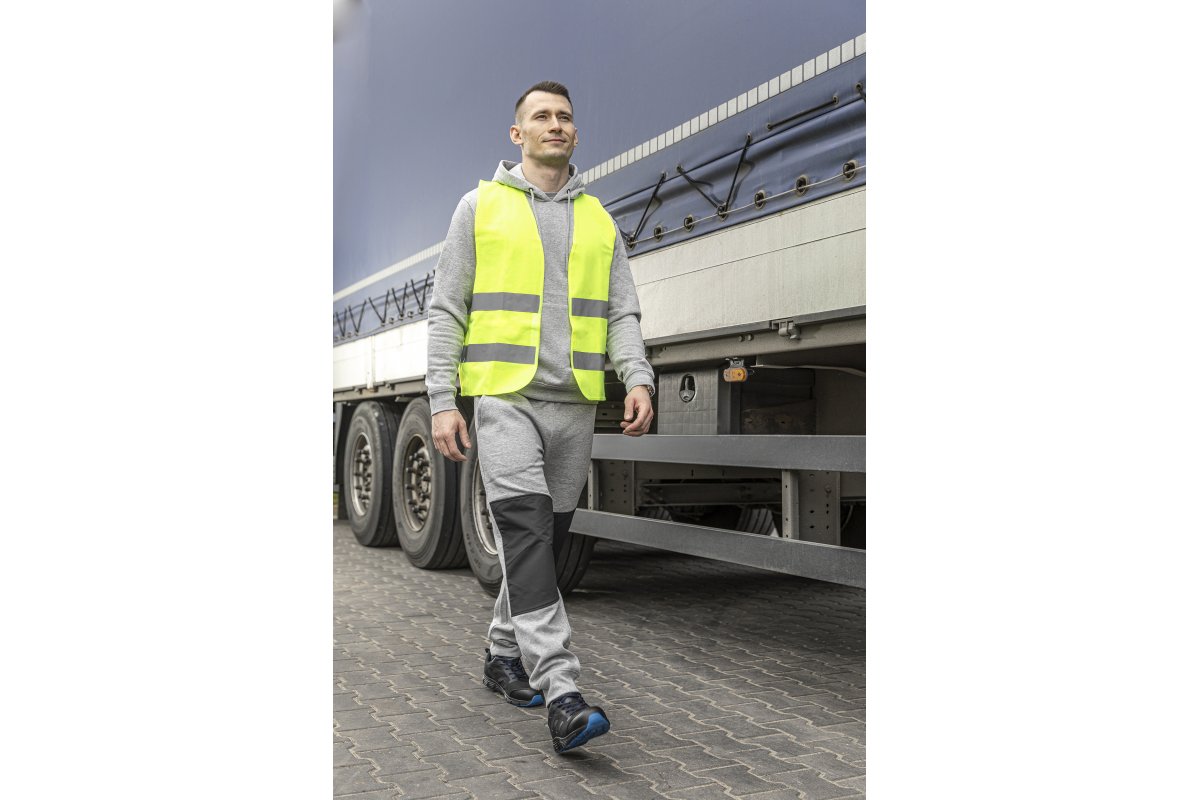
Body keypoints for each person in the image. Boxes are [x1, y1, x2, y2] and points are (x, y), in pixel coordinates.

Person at [425, 80, 655, 754]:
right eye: (541, 116)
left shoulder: (599, 220)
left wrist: (637, 376)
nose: (555, 124)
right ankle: (562, 692)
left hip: (575, 403)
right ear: (517, 133)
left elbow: (621, 312)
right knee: (526, 536)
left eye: (564, 117)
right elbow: (447, 309)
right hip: (505, 398)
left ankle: (502, 654)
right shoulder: (479, 207)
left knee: (544, 546)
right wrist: (442, 399)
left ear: (575, 134)